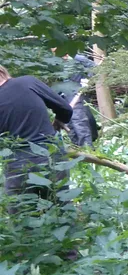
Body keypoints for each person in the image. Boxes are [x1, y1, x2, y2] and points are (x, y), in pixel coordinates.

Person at [0, 65, 74, 210]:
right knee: (61, 210)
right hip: (51, 156)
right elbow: (65, 109)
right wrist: (59, 119)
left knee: (22, 218)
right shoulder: (28, 82)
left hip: (17, 164)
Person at [52, 53, 99, 147]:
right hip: (63, 95)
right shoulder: (54, 61)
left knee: (78, 120)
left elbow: (94, 67)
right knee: (68, 121)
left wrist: (86, 80)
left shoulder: (77, 58)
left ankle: (87, 148)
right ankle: (77, 145)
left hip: (76, 92)